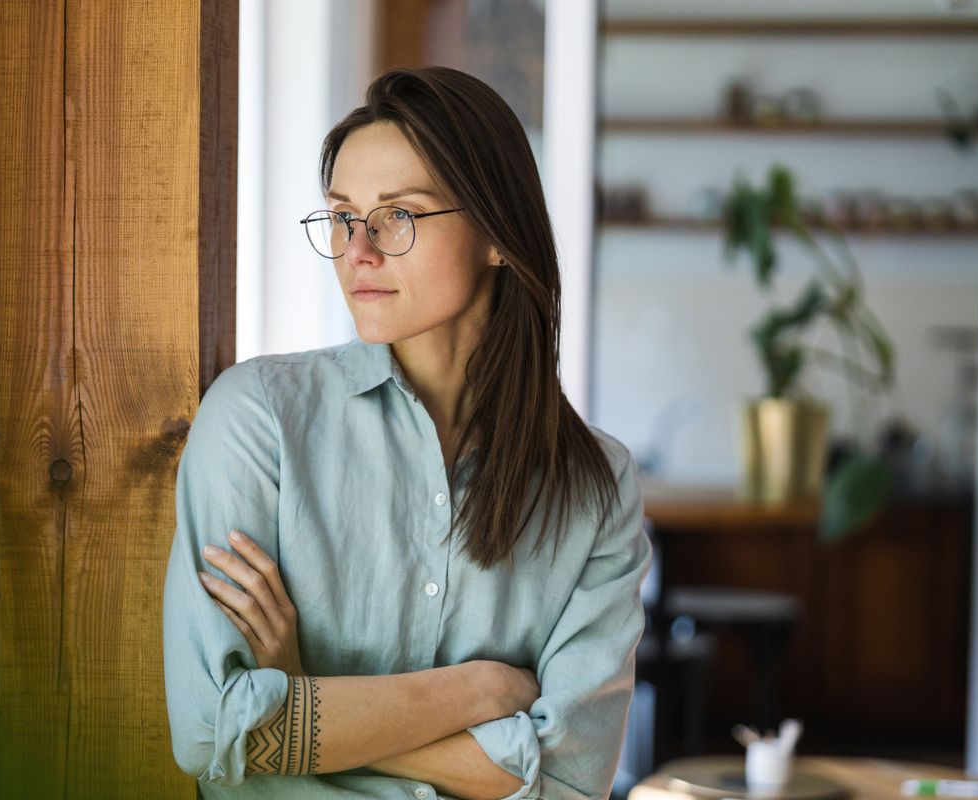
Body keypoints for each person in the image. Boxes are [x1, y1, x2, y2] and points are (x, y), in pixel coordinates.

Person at [162, 66, 652, 800]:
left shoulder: (596, 485)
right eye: (341, 216)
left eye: (399, 215)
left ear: (496, 233)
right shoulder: (258, 420)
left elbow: (570, 782)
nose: (357, 249)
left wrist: (307, 699)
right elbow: (214, 732)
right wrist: (481, 692)